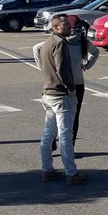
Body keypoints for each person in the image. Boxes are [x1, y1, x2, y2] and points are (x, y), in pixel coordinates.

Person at [33, 14, 98, 156]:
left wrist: (87, 65)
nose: (74, 30)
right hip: (61, 86)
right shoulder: (59, 42)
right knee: (57, 120)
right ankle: (57, 150)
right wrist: (45, 69)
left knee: (72, 118)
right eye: (70, 27)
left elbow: (95, 52)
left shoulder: (82, 42)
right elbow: (36, 49)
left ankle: (69, 147)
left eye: (75, 27)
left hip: (77, 84)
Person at [38, 14, 88, 185]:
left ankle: (47, 170)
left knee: (48, 134)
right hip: (60, 96)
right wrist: (71, 88)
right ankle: (71, 173)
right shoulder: (60, 43)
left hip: (48, 93)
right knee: (65, 134)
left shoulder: (47, 43)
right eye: (65, 25)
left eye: (68, 24)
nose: (69, 27)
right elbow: (62, 70)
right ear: (56, 27)